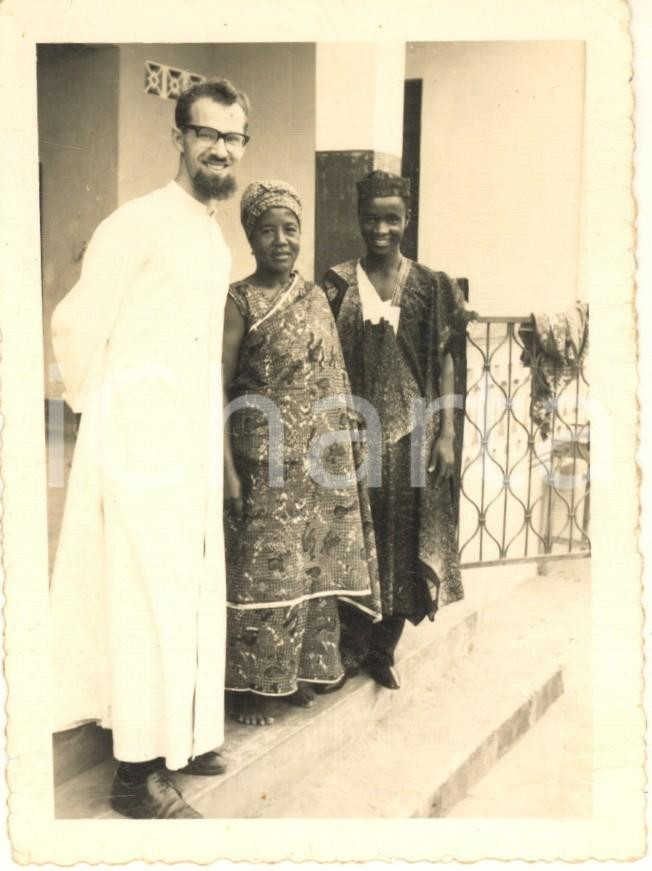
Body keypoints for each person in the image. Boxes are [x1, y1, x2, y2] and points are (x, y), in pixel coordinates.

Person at [50, 78, 250, 819]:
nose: (221, 150)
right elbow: (77, 322)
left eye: (234, 138)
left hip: (189, 442)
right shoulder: (134, 224)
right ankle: (133, 778)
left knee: (189, 588)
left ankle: (186, 738)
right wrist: (104, 413)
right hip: (137, 440)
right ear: (181, 137)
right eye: (209, 135)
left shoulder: (210, 233)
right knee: (140, 598)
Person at [222, 180, 381, 727]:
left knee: (306, 568)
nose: (281, 240)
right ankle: (245, 688)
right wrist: (229, 471)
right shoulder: (240, 299)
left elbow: (327, 375)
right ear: (250, 237)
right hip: (260, 460)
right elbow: (219, 384)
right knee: (261, 570)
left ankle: (288, 675)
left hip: (315, 465)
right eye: (267, 231)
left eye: (290, 229)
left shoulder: (314, 296)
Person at [321, 170, 471, 690]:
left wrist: (447, 432)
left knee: (404, 544)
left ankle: (382, 650)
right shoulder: (337, 282)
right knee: (356, 541)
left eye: (392, 218)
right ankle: (350, 646)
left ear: (407, 219)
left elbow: (447, 362)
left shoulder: (430, 285)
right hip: (352, 436)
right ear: (358, 218)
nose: (380, 228)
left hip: (413, 434)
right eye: (371, 218)